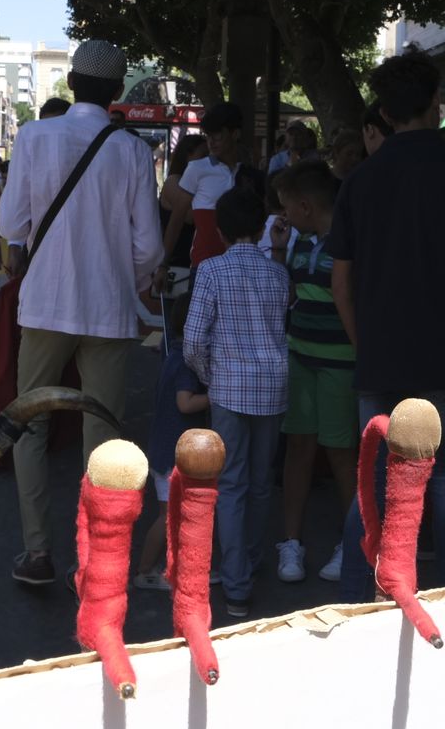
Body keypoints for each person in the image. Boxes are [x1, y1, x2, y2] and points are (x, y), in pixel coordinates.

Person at [329, 50, 445, 597]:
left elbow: (341, 283)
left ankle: (359, 590)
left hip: (380, 351)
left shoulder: (360, 179)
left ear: (383, 110)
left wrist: (365, 342)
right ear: (436, 103)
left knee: (373, 479)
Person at [0, 39, 162, 584]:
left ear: (70, 84)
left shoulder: (34, 136)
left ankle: (36, 550)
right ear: (117, 92)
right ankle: (98, 555)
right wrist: (130, 284)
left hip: (44, 303)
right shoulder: (134, 150)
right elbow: (149, 249)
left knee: (29, 426)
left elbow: (11, 227)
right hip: (109, 310)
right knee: (105, 432)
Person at [184, 188, 291, 618]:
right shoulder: (278, 274)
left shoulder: (210, 271)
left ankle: (235, 584)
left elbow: (193, 340)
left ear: (222, 230)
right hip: (274, 387)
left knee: (230, 484)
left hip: (228, 388)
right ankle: (248, 560)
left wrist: (211, 376)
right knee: (262, 482)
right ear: (260, 225)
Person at [270, 161, 358, 584]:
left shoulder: (353, 239)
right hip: (300, 356)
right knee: (298, 449)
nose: (284, 216)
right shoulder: (299, 241)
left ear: (306, 205)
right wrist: (277, 250)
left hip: (341, 361)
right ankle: (291, 542)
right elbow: (291, 295)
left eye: (288, 207)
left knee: (341, 452)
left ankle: (353, 541)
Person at [132, 341, 210, 590]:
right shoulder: (188, 363)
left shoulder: (172, 355)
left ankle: (162, 566)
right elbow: (185, 403)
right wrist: (217, 393)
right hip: (171, 455)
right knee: (168, 517)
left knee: (170, 515)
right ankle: (145, 571)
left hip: (161, 449)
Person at [162, 102, 252, 270]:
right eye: (207, 135)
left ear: (235, 134)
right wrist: (162, 265)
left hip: (243, 268)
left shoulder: (249, 172)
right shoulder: (197, 168)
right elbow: (177, 219)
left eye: (217, 135)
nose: (211, 141)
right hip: (204, 266)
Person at [159, 134, 210, 271]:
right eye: (204, 155)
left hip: (198, 259)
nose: (208, 161)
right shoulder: (173, 181)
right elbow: (190, 216)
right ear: (187, 155)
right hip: (177, 262)